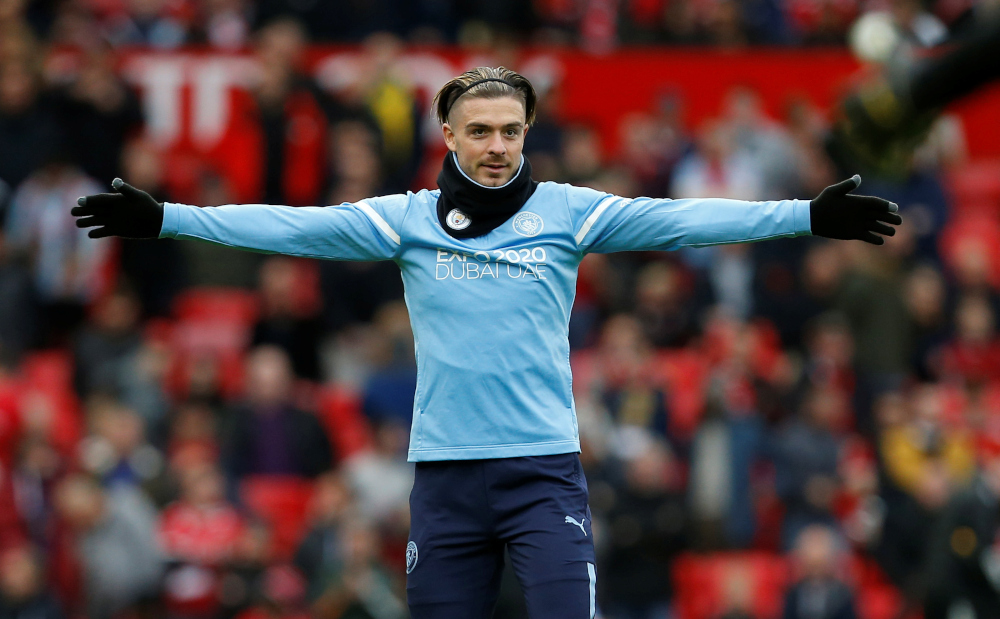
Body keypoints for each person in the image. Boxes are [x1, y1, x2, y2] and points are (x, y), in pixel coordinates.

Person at [71, 66, 902, 619]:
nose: (497, 146)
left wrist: (806, 215)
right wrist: (167, 217)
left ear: (527, 130)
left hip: (544, 474)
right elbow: (293, 226)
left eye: (510, 130)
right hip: (446, 481)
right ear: (448, 134)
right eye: (480, 131)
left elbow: (683, 218)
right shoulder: (406, 219)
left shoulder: (570, 212)